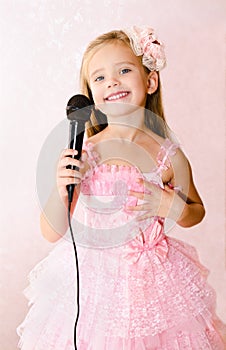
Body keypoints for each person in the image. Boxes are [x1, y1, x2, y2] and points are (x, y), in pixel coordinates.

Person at [17, 26, 226, 349]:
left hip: (154, 283)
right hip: (93, 285)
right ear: (90, 96)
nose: (111, 82)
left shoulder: (166, 153)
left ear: (150, 81)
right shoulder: (86, 151)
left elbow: (195, 212)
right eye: (98, 78)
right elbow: (51, 231)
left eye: (124, 70)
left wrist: (169, 205)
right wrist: (63, 190)